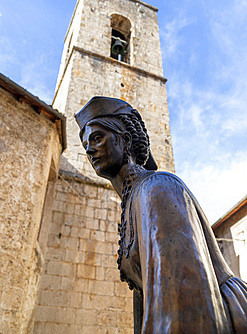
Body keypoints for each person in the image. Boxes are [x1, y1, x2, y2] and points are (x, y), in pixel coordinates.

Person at [75, 96, 247, 334]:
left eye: (97, 138)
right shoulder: (132, 204)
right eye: (85, 145)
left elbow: (185, 303)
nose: (89, 149)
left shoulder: (158, 188)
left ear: (124, 140)